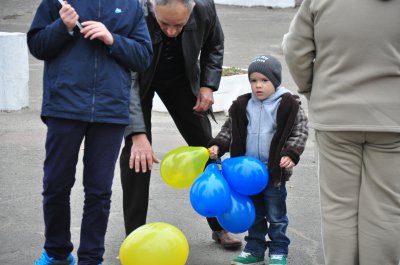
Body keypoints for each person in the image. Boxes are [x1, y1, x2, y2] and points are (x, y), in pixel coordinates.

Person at [27, 0, 152, 264]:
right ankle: (56, 252)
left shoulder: (130, 5)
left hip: (110, 112)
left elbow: (143, 56)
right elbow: (37, 46)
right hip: (64, 107)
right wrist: (63, 26)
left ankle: (91, 258)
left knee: (99, 191)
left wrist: (112, 39)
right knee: (55, 185)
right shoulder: (58, 2)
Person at [282, 0, 400, 264]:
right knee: (386, 209)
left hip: (335, 114)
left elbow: (295, 49)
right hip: (393, 120)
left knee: (338, 209)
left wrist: (313, 91)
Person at [119, 0, 242, 248]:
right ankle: (135, 237)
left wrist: (208, 84)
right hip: (137, 80)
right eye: (164, 24)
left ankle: (219, 226)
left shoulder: (205, 8)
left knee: (207, 150)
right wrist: (137, 134)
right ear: (152, 5)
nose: (171, 31)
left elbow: (214, 44)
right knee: (137, 156)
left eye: (179, 25)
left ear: (192, 8)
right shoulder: (133, 11)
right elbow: (126, 77)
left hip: (180, 79)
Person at [208, 55, 309, 265]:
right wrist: (219, 144)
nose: (258, 86)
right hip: (246, 176)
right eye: (253, 80)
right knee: (254, 214)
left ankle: (278, 251)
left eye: (264, 80)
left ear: (276, 80)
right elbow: (229, 129)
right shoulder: (243, 105)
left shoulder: (288, 104)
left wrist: (291, 153)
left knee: (276, 215)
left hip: (273, 173)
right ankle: (254, 249)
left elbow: (299, 131)